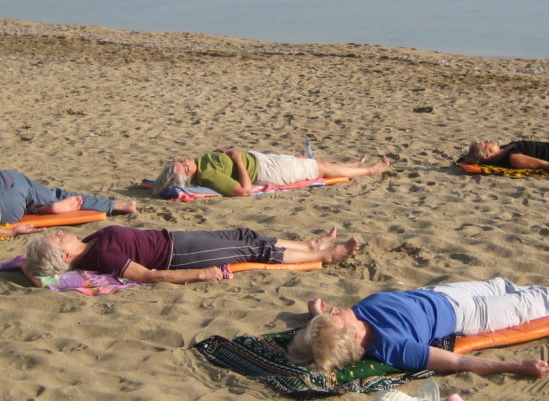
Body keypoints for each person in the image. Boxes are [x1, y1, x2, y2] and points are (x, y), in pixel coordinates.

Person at [287, 273, 549, 378]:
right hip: (470, 317)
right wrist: (517, 365)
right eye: (336, 316)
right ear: (353, 336)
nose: (337, 309)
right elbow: (457, 362)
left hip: (440, 293)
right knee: (531, 306)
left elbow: (325, 336)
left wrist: (315, 314)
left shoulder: (356, 319)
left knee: (504, 285)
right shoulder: (394, 346)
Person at [24, 225, 359, 283]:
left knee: (244, 235)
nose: (59, 233)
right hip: (180, 255)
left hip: (177, 240)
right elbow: (150, 276)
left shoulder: (91, 241)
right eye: (57, 239)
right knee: (251, 250)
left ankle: (310, 246)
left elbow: (27, 268)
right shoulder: (103, 256)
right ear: (66, 257)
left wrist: (30, 264)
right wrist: (201, 274)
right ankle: (325, 257)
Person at [152, 149, 390, 197]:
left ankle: (351, 164)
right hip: (268, 170)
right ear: (186, 175)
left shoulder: (202, 164)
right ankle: (370, 171)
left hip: (262, 160)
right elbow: (245, 190)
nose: (184, 160)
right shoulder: (207, 176)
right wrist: (236, 159)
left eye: (180, 161)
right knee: (320, 168)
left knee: (317, 162)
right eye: (182, 166)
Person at [0, 170, 137, 238]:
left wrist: (11, 231)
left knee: (19, 208)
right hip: (12, 179)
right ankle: (121, 206)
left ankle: (37, 208)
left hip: (9, 209)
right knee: (60, 196)